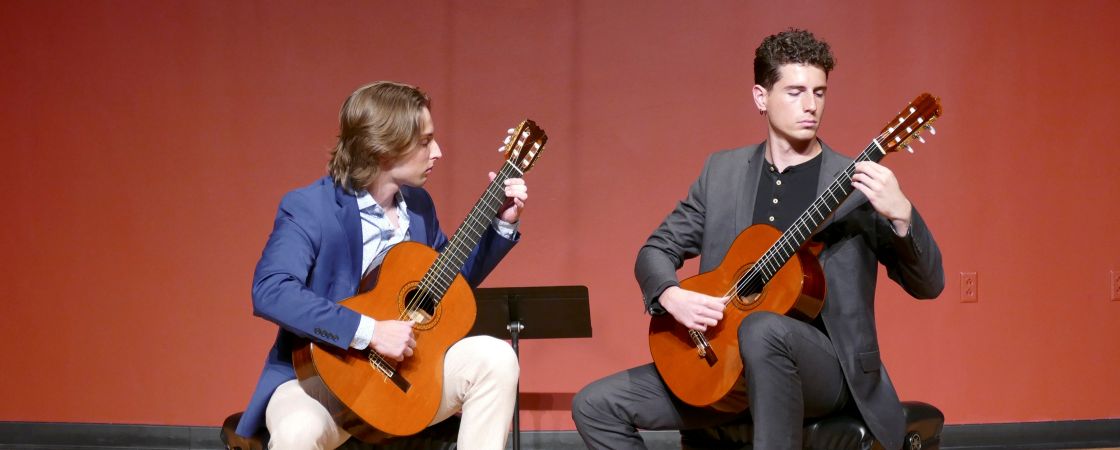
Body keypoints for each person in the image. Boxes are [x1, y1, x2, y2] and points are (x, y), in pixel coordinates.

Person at [572, 28, 944, 450]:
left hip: (825, 371)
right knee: (595, 405)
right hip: (726, 364)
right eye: (796, 91)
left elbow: (929, 285)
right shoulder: (722, 174)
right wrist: (671, 296)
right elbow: (655, 250)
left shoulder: (856, 186)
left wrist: (902, 216)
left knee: (763, 328)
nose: (811, 106)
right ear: (760, 97)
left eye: (820, 93)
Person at [235, 81, 526, 450]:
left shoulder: (419, 207)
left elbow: (445, 283)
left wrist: (501, 223)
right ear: (383, 148)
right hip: (318, 381)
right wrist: (369, 331)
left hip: (402, 380)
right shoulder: (311, 207)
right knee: (298, 434)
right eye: (424, 142)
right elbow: (271, 290)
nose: (437, 152)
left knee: (496, 358)